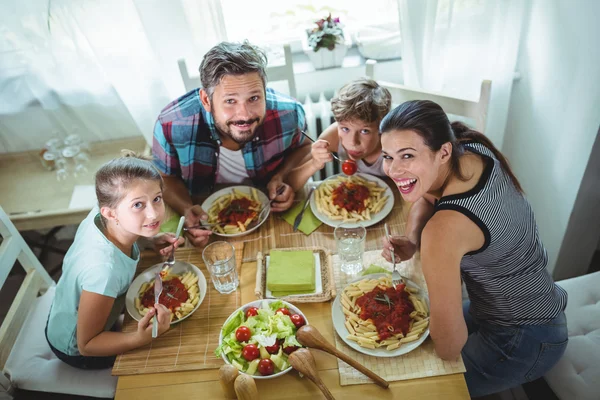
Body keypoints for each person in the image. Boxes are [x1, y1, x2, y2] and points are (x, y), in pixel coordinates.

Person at [379, 100, 568, 397]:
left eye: (407, 155)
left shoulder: (443, 232)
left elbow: (448, 347)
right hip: (519, 307)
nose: (393, 169)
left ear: (443, 152)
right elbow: (430, 198)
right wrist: (414, 240)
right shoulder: (471, 149)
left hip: (526, 339)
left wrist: (429, 247)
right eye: (387, 156)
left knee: (409, 390)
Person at [153, 41, 310, 247]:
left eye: (254, 98)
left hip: (273, 220)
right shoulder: (170, 124)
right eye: (230, 101)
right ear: (206, 100)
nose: (244, 114)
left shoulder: (289, 112)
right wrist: (186, 208)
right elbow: (164, 177)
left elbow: (305, 148)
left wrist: (283, 177)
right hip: (208, 227)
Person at [45, 152, 184, 370]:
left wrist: (150, 241)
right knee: (173, 349)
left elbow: (124, 226)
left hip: (66, 312)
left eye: (156, 199)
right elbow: (87, 345)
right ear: (110, 213)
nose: (154, 214)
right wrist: (140, 339)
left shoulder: (101, 215)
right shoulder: (104, 271)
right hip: (76, 348)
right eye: (138, 205)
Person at [288, 78, 392, 190]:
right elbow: (289, 184)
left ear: (382, 128)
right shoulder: (331, 138)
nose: (352, 142)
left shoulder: (393, 147)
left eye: (364, 131)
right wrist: (314, 163)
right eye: (345, 129)